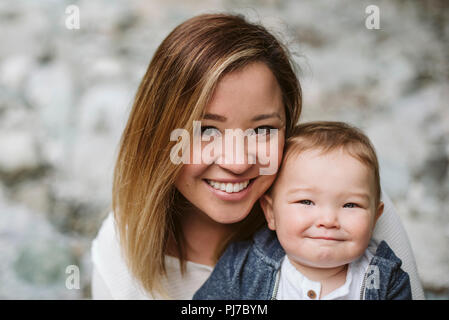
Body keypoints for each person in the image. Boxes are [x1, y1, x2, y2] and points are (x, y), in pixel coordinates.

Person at [90, 13, 424, 300]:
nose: (237, 163)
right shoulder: (118, 254)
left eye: (262, 130)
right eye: (206, 130)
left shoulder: (348, 203)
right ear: (160, 135)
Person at [194, 122, 412, 300]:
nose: (328, 220)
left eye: (350, 205)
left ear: (375, 218)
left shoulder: (386, 279)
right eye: (306, 201)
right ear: (270, 213)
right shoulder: (242, 267)